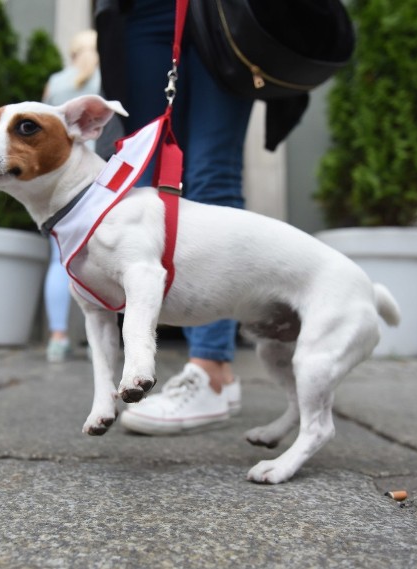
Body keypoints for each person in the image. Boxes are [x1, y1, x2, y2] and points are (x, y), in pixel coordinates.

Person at [96, 0, 252, 434]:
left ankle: (212, 370)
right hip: (142, 12)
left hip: (226, 12)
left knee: (213, 175)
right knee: (141, 175)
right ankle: (137, 367)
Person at [41, 30, 101, 363]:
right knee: (107, 257)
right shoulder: (105, 78)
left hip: (61, 179)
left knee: (59, 259)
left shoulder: (55, 82)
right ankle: (100, 342)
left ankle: (58, 337)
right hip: (98, 175)